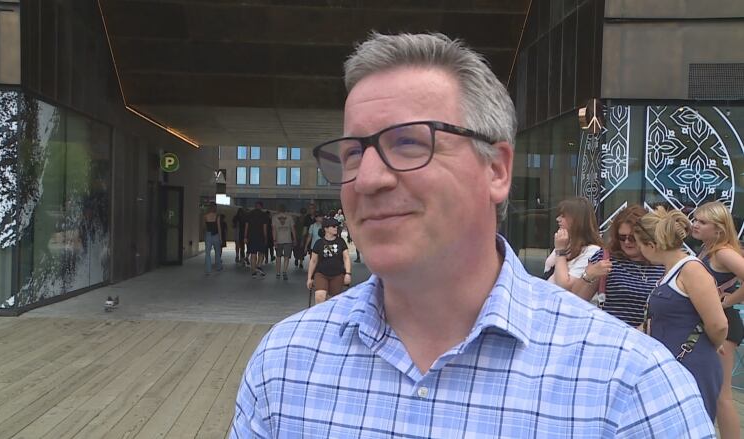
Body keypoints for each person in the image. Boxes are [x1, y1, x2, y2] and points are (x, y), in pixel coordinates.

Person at [231, 32, 715, 437]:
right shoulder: (286, 361)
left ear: (497, 170)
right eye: (354, 152)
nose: (369, 178)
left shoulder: (630, 387)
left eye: (408, 143)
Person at [633, 206, 728, 421]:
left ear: (652, 245)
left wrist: (710, 343)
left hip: (692, 365)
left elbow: (719, 324)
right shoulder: (670, 271)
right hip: (677, 364)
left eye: (640, 245)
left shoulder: (691, 269)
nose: (639, 251)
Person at [692, 201, 744, 438]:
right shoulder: (708, 249)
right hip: (712, 322)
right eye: (695, 220)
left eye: (702, 222)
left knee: (722, 396)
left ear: (719, 229)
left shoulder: (723, 251)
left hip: (724, 323)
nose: (695, 225)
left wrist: (728, 300)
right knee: (713, 393)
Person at [570, 205, 664, 327]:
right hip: (612, 335)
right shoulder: (605, 258)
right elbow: (575, 300)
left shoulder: (661, 263)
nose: (626, 242)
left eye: (632, 238)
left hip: (649, 339)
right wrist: (589, 275)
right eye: (622, 237)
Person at [545, 197, 603, 290]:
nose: (558, 219)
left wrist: (560, 252)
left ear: (577, 219)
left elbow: (565, 286)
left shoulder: (592, 251)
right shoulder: (565, 242)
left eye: (563, 216)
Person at [306, 218, 351, 304]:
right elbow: (313, 261)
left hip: (337, 274)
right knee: (320, 296)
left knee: (334, 300)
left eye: (337, 226)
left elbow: (346, 258)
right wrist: (309, 278)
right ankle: (320, 315)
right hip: (321, 273)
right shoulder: (319, 243)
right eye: (333, 226)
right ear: (326, 229)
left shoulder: (341, 242)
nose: (336, 228)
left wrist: (348, 274)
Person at [244, 201, 269, 279]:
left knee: (253, 254)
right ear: (261, 206)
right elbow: (264, 227)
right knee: (261, 253)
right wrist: (265, 237)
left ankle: (253, 272)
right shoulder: (264, 215)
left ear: (255, 206)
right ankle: (258, 266)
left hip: (251, 236)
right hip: (260, 236)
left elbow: (246, 226)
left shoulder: (249, 214)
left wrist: (245, 236)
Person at [271, 204, 296, 280]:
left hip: (278, 240)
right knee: (286, 257)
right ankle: (284, 272)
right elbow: (293, 229)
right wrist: (295, 239)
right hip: (288, 240)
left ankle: (278, 273)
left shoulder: (274, 217)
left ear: (278, 209)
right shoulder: (290, 217)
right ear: (285, 209)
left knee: (278, 257)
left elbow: (273, 230)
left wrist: (274, 240)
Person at [202, 203, 222, 275]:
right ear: (215, 208)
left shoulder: (205, 216)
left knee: (207, 253)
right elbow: (219, 227)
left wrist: (204, 236)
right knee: (217, 252)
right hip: (216, 235)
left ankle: (208, 269)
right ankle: (218, 266)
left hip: (208, 235)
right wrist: (220, 238)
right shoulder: (217, 216)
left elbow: (204, 227)